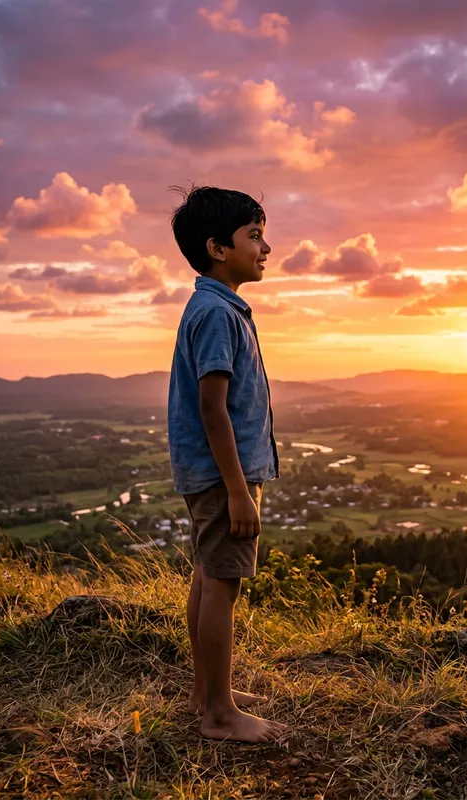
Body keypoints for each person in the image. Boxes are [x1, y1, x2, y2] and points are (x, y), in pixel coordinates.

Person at [168, 186, 284, 743]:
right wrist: (238, 490)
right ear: (218, 248)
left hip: (214, 472)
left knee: (207, 577)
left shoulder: (215, 306)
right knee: (223, 585)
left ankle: (204, 691)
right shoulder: (217, 313)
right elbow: (213, 408)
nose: (266, 247)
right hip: (223, 474)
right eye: (254, 235)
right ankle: (220, 712)